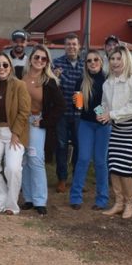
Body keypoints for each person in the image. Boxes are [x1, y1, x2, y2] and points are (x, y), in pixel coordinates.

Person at [97, 45, 132, 219]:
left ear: (126, 60)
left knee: (124, 165)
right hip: (118, 128)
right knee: (114, 165)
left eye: (119, 58)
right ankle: (118, 203)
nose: (115, 62)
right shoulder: (107, 83)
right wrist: (100, 113)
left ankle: (130, 203)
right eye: (112, 59)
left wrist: (111, 115)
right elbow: (104, 104)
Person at [20, 45, 65, 215]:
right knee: (23, 160)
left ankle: (40, 201)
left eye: (43, 58)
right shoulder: (20, 76)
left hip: (36, 122)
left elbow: (61, 106)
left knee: (36, 159)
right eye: (37, 57)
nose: (39, 60)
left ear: (47, 62)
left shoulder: (49, 81)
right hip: (20, 122)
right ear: (31, 58)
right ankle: (28, 199)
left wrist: (45, 122)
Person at [0, 52, 30, 215]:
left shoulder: (19, 85)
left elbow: (24, 111)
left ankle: (11, 205)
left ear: (10, 66)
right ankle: (0, 201)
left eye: (5, 64)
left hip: (14, 134)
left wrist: (16, 133)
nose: (1, 68)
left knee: (13, 169)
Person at [69, 49, 111, 210]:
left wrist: (100, 113)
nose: (92, 63)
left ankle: (102, 199)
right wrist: (76, 102)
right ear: (85, 64)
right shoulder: (81, 81)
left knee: (100, 161)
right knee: (83, 159)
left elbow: (110, 104)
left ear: (101, 61)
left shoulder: (108, 80)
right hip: (85, 124)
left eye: (95, 60)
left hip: (103, 126)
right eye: (89, 61)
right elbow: (78, 107)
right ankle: (75, 197)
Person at [53, 33, 84, 193]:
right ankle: (62, 179)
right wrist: (54, 78)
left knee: (80, 146)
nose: (71, 47)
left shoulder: (85, 64)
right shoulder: (56, 63)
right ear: (64, 46)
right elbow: (49, 86)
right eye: (68, 44)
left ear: (79, 46)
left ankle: (77, 179)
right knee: (61, 146)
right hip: (61, 114)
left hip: (80, 114)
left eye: (74, 44)